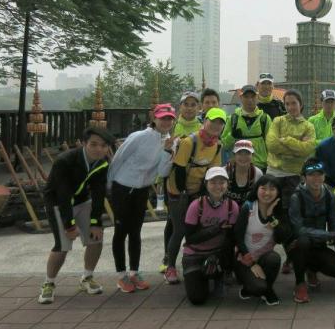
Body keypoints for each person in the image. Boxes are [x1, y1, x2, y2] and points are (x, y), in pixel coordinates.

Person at [38, 127, 114, 304]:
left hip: (82, 200)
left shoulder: (102, 163)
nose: (99, 149)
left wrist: (96, 222)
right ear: (84, 143)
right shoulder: (65, 161)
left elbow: (98, 193)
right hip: (58, 202)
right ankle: (48, 283)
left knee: (96, 238)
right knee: (62, 245)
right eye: (94, 144)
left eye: (103, 145)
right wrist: (69, 225)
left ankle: (87, 278)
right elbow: (63, 195)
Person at [108, 104, 175, 294]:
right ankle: (121, 275)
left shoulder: (170, 141)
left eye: (170, 118)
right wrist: (109, 184)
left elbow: (163, 172)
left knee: (136, 231)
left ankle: (134, 272)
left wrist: (167, 151)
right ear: (154, 118)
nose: (166, 122)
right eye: (163, 118)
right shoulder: (138, 137)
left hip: (142, 190)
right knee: (121, 231)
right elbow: (118, 159)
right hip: (122, 187)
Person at [162, 107, 226, 285]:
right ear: (204, 121)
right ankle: (170, 267)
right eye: (213, 121)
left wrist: (205, 195)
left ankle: (195, 261)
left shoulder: (217, 145)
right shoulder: (190, 142)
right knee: (179, 229)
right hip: (178, 190)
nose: (216, 125)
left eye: (220, 123)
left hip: (197, 190)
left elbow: (212, 172)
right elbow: (179, 170)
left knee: (198, 228)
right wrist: (184, 194)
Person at [287, 159, 335, 303]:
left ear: (324, 176)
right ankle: (300, 283)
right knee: (303, 241)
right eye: (311, 175)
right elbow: (299, 230)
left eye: (319, 174)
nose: (316, 178)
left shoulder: (330, 196)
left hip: (319, 245)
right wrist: (327, 235)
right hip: (299, 245)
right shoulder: (296, 197)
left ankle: (311, 270)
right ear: (303, 178)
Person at [181, 167, 239, 305]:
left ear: (227, 184)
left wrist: (228, 264)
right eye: (213, 182)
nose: (218, 186)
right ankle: (202, 277)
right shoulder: (196, 205)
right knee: (197, 299)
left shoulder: (232, 206)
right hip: (194, 254)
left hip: (217, 253)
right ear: (206, 184)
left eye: (222, 182)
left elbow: (231, 238)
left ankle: (219, 275)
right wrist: (217, 228)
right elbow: (190, 238)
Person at [234, 175, 290, 304]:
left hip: (264, 258)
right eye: (263, 188)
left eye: (272, 189)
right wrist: (251, 264)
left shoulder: (279, 211)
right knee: (258, 288)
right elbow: (237, 237)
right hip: (244, 259)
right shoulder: (248, 207)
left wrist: (271, 217)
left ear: (278, 192)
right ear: (257, 189)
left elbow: (282, 238)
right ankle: (249, 288)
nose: (267, 193)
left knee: (274, 258)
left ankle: (268, 289)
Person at [265, 89, 317, 211]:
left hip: (294, 175)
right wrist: (297, 148)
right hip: (273, 172)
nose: (290, 107)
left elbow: (307, 150)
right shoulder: (278, 121)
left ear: (301, 104)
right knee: (271, 209)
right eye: (287, 104)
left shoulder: (308, 126)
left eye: (294, 103)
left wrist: (287, 140)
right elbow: (272, 145)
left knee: (291, 210)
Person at [222, 84, 270, 173]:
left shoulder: (264, 118)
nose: (250, 100)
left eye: (253, 97)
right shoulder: (233, 119)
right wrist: (232, 136)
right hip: (238, 166)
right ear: (241, 98)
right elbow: (224, 145)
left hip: (260, 165)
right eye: (246, 97)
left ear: (257, 97)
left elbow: (270, 144)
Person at [225, 140, 264, 204]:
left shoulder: (257, 173)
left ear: (252, 155)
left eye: (247, 153)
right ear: (234, 155)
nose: (243, 157)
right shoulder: (225, 171)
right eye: (239, 153)